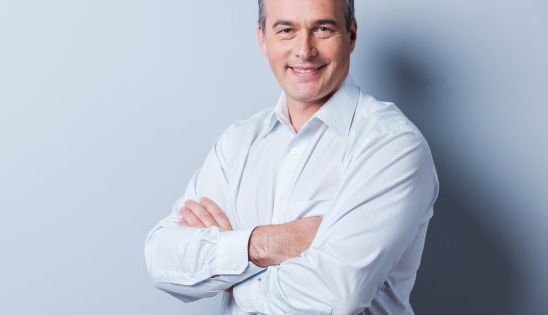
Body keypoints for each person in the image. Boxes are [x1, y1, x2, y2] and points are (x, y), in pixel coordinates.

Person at [144, 0, 439, 313]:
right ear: (262, 38)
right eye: (286, 30)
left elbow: (335, 295)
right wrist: (275, 242)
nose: (305, 50)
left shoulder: (391, 146)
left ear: (351, 35)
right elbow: (162, 259)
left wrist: (231, 276)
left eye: (322, 29)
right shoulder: (238, 143)